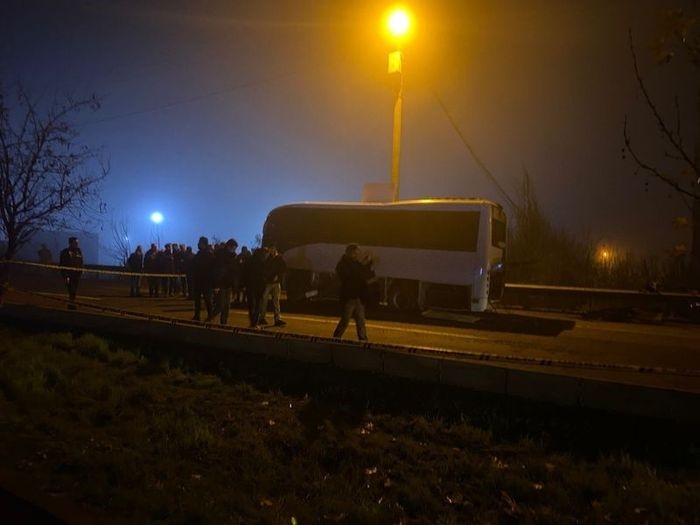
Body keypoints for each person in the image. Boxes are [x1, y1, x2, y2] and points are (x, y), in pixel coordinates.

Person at [332, 244, 375, 341]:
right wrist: (364, 265)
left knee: (360, 320)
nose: (356, 255)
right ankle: (336, 338)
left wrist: (367, 263)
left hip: (357, 296)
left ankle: (363, 339)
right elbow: (351, 276)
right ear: (349, 253)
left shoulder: (352, 263)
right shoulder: (343, 264)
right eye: (355, 253)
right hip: (349, 296)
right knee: (346, 320)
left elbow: (360, 273)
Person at [208, 238, 239, 325]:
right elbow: (217, 271)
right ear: (229, 247)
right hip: (221, 284)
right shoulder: (220, 256)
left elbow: (234, 272)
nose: (234, 250)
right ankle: (209, 319)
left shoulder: (233, 257)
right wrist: (216, 285)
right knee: (220, 305)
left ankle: (223, 324)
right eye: (233, 248)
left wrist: (234, 286)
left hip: (228, 284)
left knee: (226, 307)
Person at [258, 245, 287, 327]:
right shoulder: (269, 258)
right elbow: (264, 268)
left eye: (272, 249)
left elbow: (284, 269)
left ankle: (277, 319)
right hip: (269, 282)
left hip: (276, 282)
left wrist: (278, 276)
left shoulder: (279, 258)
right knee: (265, 299)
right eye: (270, 250)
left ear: (275, 249)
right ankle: (262, 317)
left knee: (276, 301)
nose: (271, 251)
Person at [241, 246, 268, 327]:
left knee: (251, 304)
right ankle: (254, 322)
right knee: (257, 305)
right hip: (259, 285)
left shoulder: (249, 260)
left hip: (250, 285)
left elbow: (244, 272)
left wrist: (243, 284)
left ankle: (253, 321)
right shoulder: (262, 261)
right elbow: (264, 274)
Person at [191, 236, 214, 321]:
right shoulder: (200, 254)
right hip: (199, 280)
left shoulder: (208, 255)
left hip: (205, 281)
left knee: (207, 299)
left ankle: (210, 315)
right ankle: (197, 315)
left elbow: (211, 269)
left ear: (203, 244)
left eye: (199, 242)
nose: (198, 244)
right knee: (198, 300)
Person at [59, 236, 84, 310]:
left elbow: (81, 261)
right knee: (71, 289)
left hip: (76, 274)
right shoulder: (64, 252)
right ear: (70, 243)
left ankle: (71, 303)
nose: (76, 244)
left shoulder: (78, 251)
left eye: (77, 243)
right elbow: (62, 264)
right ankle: (71, 304)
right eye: (75, 243)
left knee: (74, 290)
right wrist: (65, 275)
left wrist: (81, 270)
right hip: (69, 274)